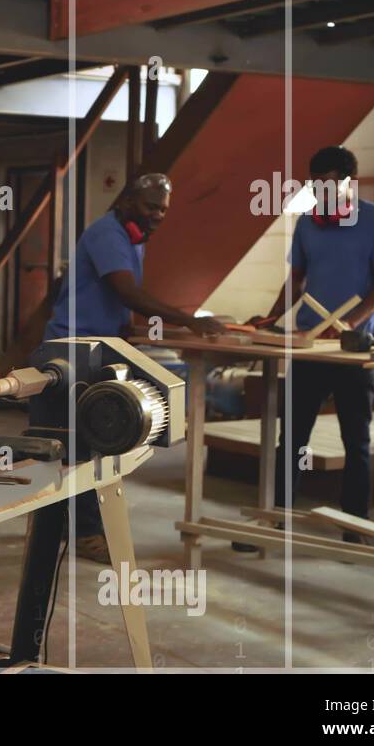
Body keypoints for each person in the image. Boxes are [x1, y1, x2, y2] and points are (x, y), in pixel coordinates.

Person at [45, 173, 227, 563]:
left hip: (103, 346)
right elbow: (125, 291)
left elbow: (117, 301)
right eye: (150, 206)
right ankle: (86, 532)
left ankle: (68, 525)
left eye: (163, 209)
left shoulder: (132, 238)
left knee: (95, 440)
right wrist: (189, 320)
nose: (157, 215)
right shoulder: (108, 234)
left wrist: (133, 328)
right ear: (127, 200)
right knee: (87, 442)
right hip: (75, 348)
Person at [234, 145, 374, 550]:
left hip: (354, 350)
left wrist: (349, 326)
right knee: (290, 437)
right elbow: (296, 280)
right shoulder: (307, 222)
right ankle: (275, 522)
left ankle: (354, 525)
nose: (322, 196)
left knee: (355, 440)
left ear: (349, 183)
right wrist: (271, 318)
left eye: (330, 187)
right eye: (316, 187)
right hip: (310, 348)